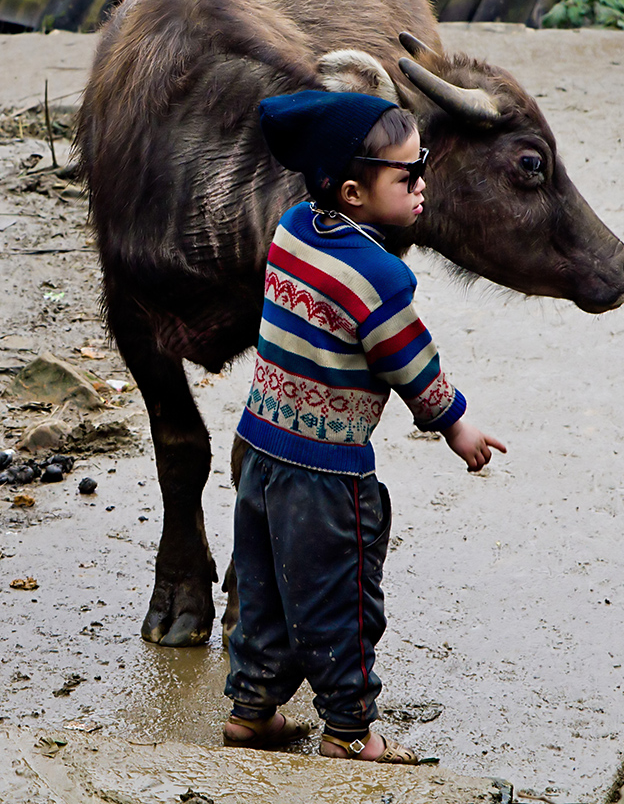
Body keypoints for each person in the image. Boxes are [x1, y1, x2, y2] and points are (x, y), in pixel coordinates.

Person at [222, 89, 506, 763]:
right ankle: (351, 733)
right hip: (327, 475)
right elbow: (411, 363)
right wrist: (456, 424)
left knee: (265, 592)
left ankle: (250, 713)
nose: (421, 187)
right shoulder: (380, 275)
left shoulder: (292, 225)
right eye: (407, 177)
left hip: (260, 451)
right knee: (340, 603)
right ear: (352, 191)